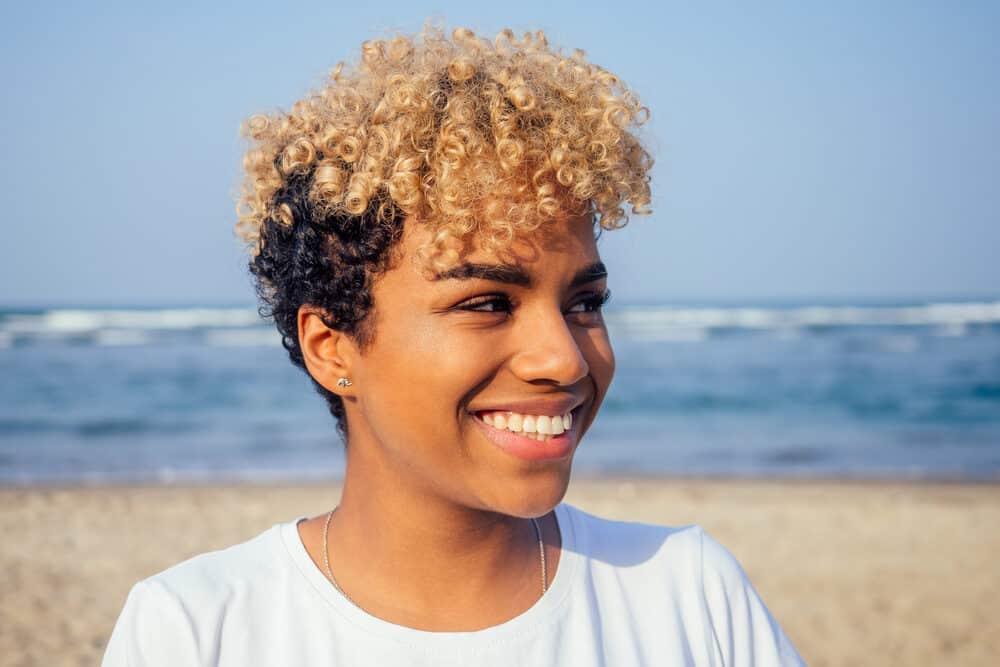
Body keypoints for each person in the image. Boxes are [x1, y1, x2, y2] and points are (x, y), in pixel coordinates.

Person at [103, 26, 805, 666]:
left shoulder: (688, 597)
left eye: (584, 302)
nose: (562, 359)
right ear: (332, 347)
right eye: (486, 303)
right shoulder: (196, 630)